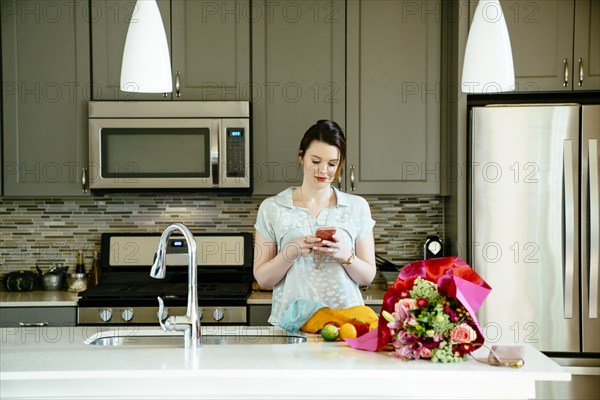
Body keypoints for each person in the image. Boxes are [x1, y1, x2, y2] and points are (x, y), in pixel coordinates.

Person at [253, 119, 377, 327]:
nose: (323, 171)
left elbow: (367, 277)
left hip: (346, 326)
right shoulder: (272, 208)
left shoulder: (357, 207)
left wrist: (344, 254)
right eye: (316, 161)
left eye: (332, 164)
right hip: (293, 326)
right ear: (301, 157)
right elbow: (263, 279)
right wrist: (290, 252)